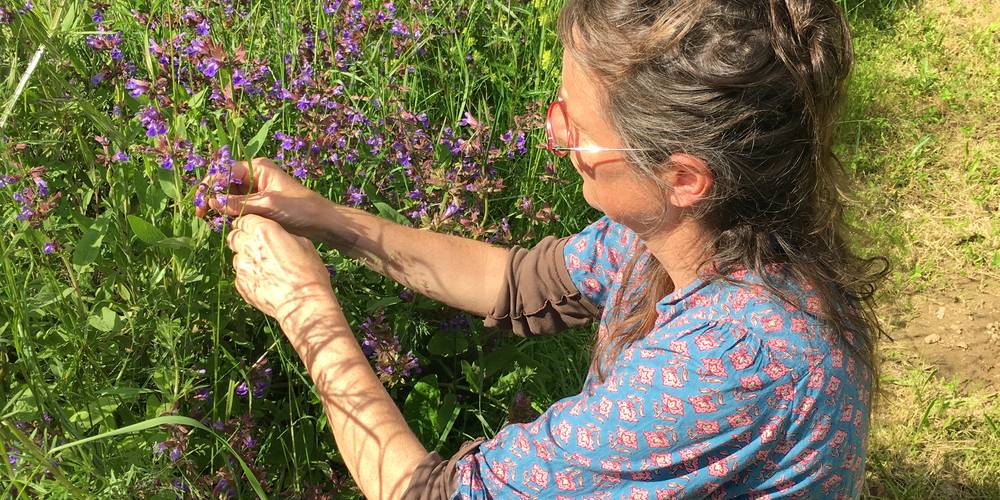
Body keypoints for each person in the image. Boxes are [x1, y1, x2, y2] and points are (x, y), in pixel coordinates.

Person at [199, 0, 888, 497]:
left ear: (683, 176)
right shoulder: (710, 228)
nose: (557, 140)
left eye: (575, 124)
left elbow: (429, 495)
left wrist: (308, 312)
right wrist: (323, 219)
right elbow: (521, 284)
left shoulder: (728, 365)